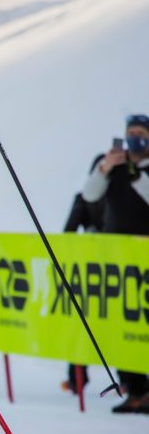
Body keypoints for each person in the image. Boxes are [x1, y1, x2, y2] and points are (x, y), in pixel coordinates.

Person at [81, 114, 149, 413]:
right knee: (118, 325)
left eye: (141, 133)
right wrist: (105, 168)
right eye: (131, 132)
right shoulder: (110, 164)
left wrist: (138, 177)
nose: (136, 138)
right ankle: (134, 390)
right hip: (114, 260)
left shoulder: (141, 171)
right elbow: (89, 194)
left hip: (143, 257)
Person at [60, 181, 105, 394]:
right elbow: (68, 231)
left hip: (116, 276)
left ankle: (133, 383)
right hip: (90, 278)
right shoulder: (85, 198)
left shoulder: (122, 194)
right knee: (82, 326)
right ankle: (77, 378)